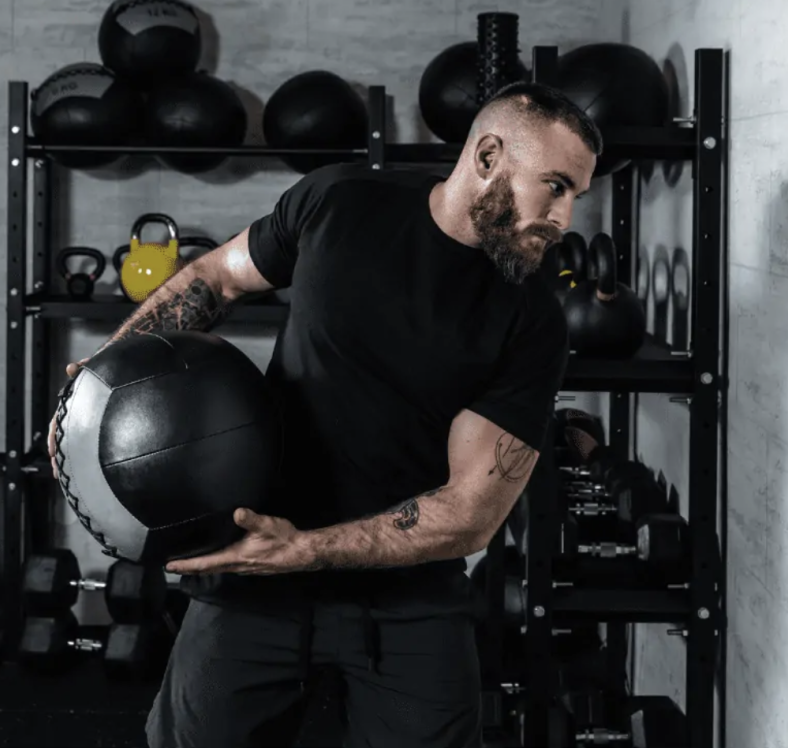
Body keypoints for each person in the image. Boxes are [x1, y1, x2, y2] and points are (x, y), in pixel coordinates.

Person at [48, 81, 601, 748]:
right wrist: (100, 383)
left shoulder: (532, 316)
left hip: (406, 598)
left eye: (574, 194)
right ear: (487, 155)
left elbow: (472, 511)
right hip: (254, 575)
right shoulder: (340, 201)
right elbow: (216, 278)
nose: (564, 218)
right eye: (555, 186)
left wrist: (302, 551)